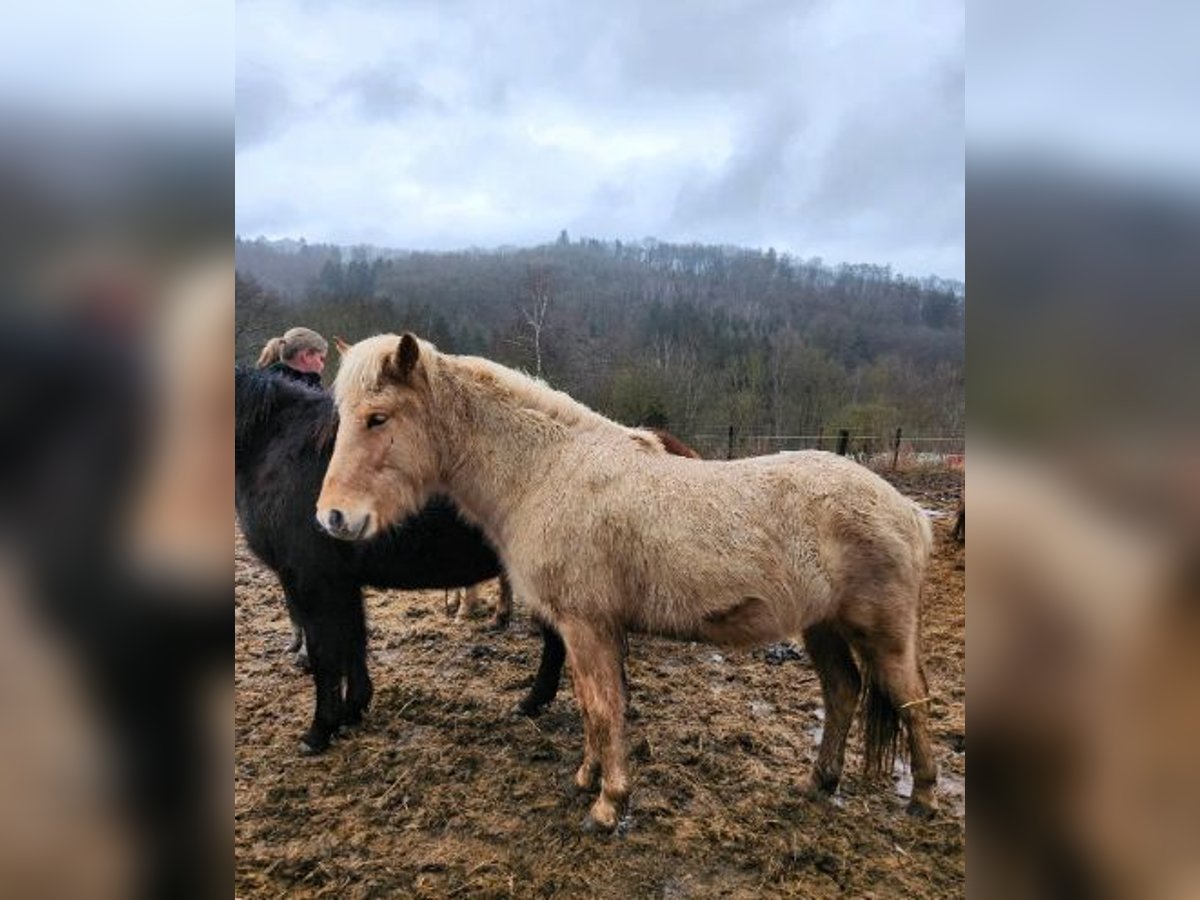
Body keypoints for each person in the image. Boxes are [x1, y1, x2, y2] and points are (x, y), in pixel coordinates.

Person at [255, 327, 327, 388]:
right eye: (321, 359)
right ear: (307, 356)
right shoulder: (307, 396)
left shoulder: (258, 387)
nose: (322, 366)